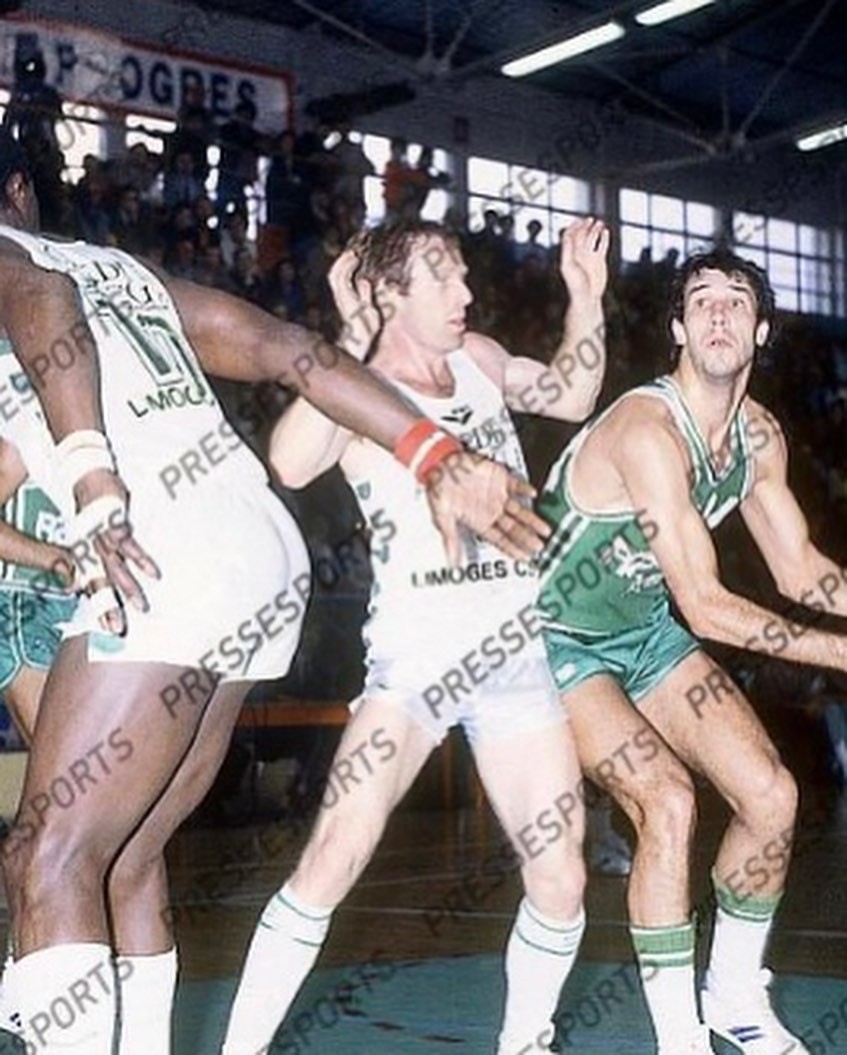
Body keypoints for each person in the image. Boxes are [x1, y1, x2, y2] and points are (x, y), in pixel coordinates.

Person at [0, 129, 545, 1055]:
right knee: (126, 856)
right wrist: (434, 453)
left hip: (160, 544)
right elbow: (284, 345)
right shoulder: (123, 273)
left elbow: (42, 301)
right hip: (255, 547)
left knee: (48, 856)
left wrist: (92, 479)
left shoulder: (25, 268)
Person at [220, 215, 610, 1055]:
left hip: (515, 652)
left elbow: (572, 394)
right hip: (416, 661)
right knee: (333, 854)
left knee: (560, 875)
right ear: (390, 293)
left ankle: (524, 1043)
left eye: (463, 273)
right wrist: (351, 336)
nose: (466, 290)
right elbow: (289, 460)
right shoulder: (357, 387)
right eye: (443, 275)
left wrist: (585, 298)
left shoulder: (479, 359)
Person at [536, 246, 845, 1054]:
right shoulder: (647, 429)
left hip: (642, 631)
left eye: (735, 300)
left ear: (761, 330)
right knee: (667, 801)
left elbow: (802, 571)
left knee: (771, 796)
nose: (716, 313)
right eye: (700, 300)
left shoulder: (758, 436)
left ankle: (734, 999)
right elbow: (705, 606)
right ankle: (679, 1038)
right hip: (551, 635)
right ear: (676, 328)